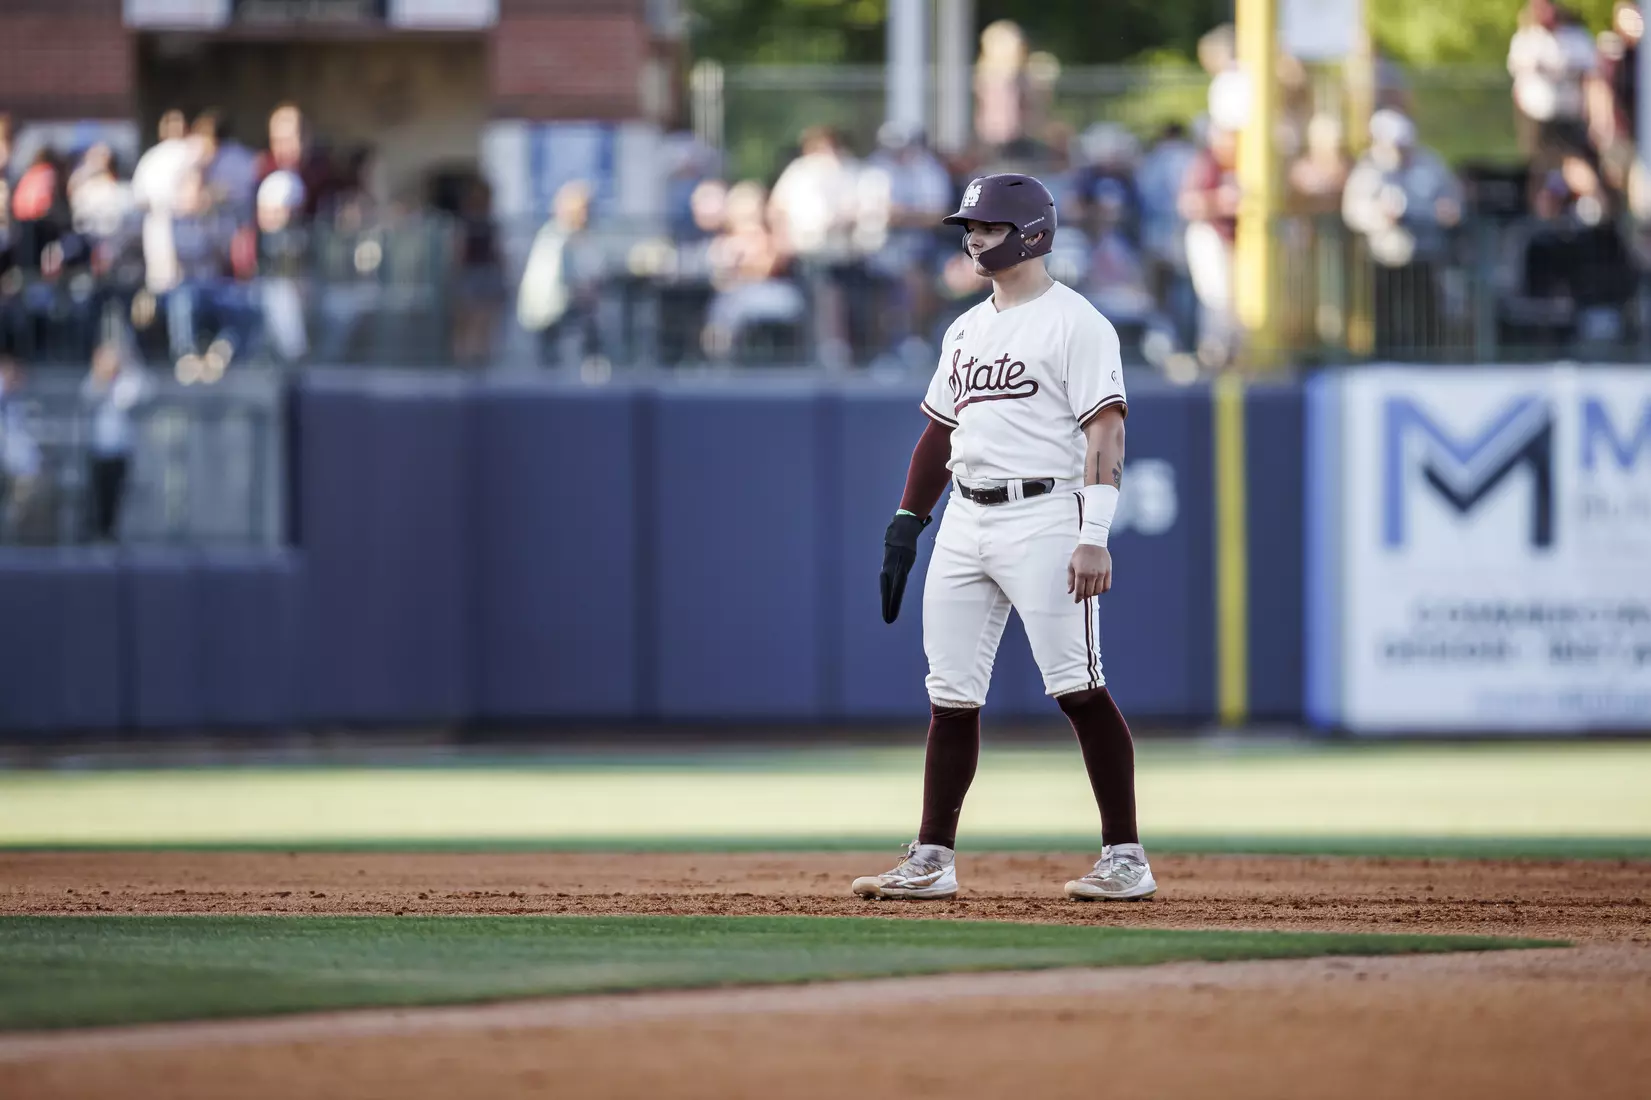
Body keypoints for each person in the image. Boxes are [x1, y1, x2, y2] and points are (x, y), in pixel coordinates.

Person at [853, 173, 1153, 903]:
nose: (973, 237)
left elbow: (1105, 430)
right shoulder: (966, 326)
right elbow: (938, 432)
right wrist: (906, 523)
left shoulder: (1075, 321)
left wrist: (1093, 534)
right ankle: (931, 857)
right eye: (969, 226)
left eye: (987, 226)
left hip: (1046, 515)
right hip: (966, 516)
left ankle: (1126, 856)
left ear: (1032, 234)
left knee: (1077, 687)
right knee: (949, 694)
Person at [80, 340, 148, 542]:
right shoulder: (94, 380)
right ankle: (97, 531)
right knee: (98, 494)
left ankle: (111, 532)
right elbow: (87, 395)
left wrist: (126, 367)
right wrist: (101, 376)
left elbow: (130, 398)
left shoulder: (128, 381)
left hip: (119, 449)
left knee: (116, 493)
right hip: (98, 449)